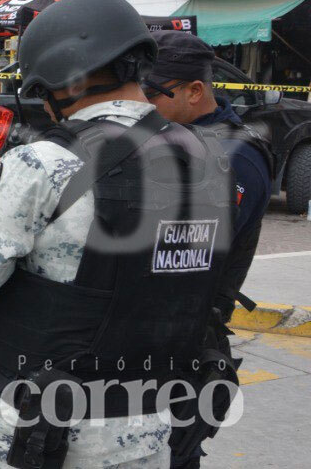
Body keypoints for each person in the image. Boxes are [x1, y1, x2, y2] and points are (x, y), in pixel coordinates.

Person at [0, 0, 236, 468]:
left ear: (56, 80)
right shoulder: (208, 159)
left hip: (45, 433)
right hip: (155, 429)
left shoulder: (43, 164)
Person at [145, 31, 273, 468]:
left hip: (182, 349)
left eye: (150, 93)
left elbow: (180, 253)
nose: (139, 104)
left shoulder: (234, 155)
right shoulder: (168, 137)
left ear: (195, 91)